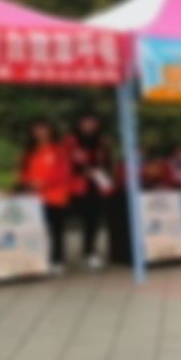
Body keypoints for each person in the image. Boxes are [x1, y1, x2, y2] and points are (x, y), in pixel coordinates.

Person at [18, 119, 73, 273]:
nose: (40, 132)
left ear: (51, 130)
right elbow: (22, 171)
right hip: (33, 197)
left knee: (56, 230)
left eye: (43, 129)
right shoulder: (29, 150)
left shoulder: (59, 150)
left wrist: (44, 183)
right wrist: (27, 183)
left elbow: (64, 172)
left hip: (56, 196)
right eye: (36, 129)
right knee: (36, 231)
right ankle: (38, 261)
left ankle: (57, 260)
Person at [66, 113, 115, 270]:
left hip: (97, 186)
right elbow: (65, 163)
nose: (89, 125)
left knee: (93, 220)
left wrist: (104, 174)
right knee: (66, 220)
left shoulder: (102, 141)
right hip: (76, 186)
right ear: (79, 124)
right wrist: (83, 172)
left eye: (93, 122)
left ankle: (89, 253)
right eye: (86, 122)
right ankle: (58, 258)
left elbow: (108, 162)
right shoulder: (71, 141)